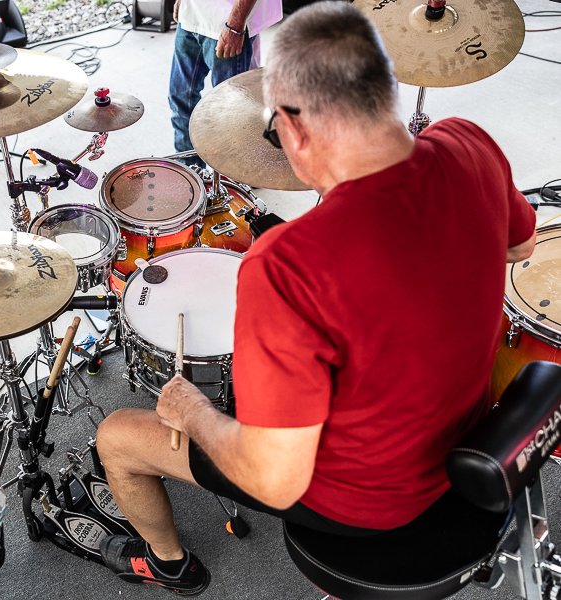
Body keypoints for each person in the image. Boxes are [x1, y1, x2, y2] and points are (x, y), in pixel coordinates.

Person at [97, 1, 537, 595]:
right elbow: (520, 245)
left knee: (118, 437)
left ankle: (169, 564)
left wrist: (193, 411)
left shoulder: (287, 266)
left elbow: (274, 480)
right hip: (469, 432)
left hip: (369, 504)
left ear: (295, 130)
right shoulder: (469, 143)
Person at [169, 0, 282, 164]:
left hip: (226, 21)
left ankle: (229, 174)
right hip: (191, 14)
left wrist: (235, 25)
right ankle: (190, 169)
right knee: (180, 98)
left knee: (230, 116)